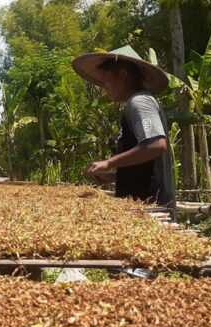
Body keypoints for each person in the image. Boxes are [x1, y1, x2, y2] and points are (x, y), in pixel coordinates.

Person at [73, 46, 176, 210]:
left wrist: (108, 162)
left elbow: (156, 145)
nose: (105, 87)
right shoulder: (137, 102)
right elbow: (146, 169)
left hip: (150, 207)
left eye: (106, 79)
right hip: (142, 204)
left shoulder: (139, 102)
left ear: (122, 75)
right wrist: (114, 177)